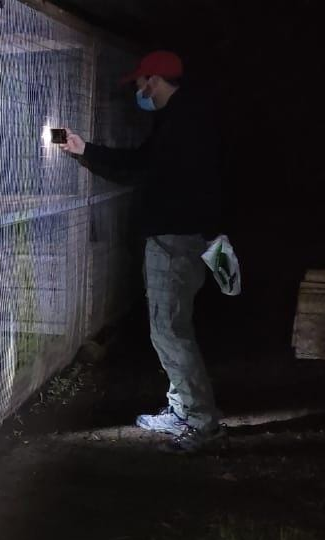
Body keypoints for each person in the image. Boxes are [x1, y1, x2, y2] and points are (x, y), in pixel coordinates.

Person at [60, 50, 224, 452]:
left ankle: (202, 422)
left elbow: (139, 168)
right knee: (169, 328)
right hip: (184, 237)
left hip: (175, 240)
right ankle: (182, 408)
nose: (137, 89)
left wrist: (87, 152)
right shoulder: (185, 118)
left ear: (153, 79)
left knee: (170, 331)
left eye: (139, 82)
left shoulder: (181, 123)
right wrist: (87, 150)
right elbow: (148, 167)